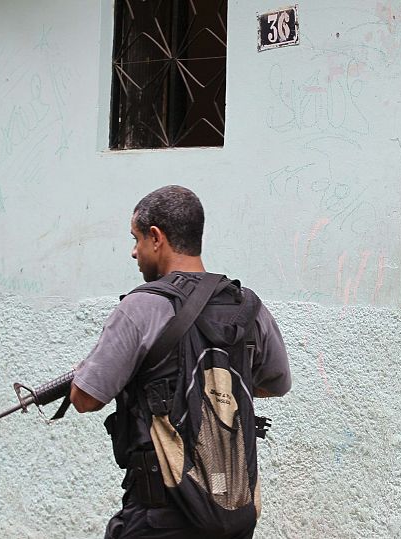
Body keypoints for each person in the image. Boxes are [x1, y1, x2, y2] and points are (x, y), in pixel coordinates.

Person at [70, 185, 291, 538]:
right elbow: (276, 383)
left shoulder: (140, 308)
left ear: (156, 237)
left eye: (136, 239)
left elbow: (85, 398)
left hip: (161, 516)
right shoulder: (247, 307)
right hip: (233, 513)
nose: (134, 251)